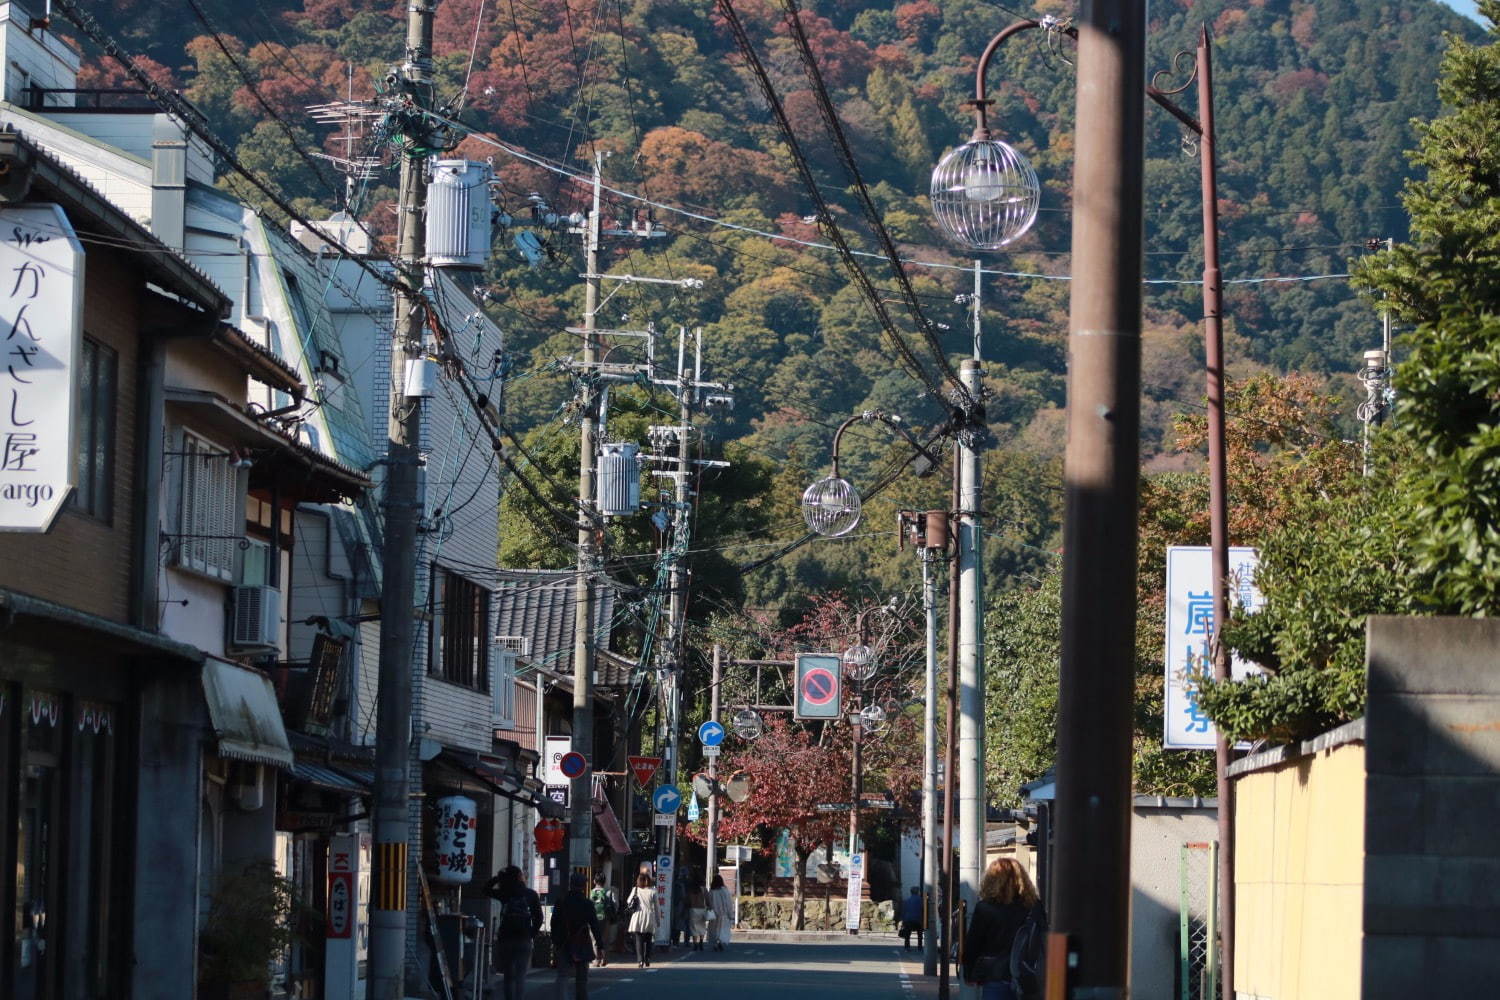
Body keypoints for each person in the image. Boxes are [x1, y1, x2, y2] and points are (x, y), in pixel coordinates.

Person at [962, 859, 1045, 1000]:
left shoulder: (985, 908)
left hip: (996, 976)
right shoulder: (1035, 906)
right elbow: (1044, 938)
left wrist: (969, 974)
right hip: (1028, 977)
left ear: (991, 880)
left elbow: (973, 944)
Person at [485, 865, 543, 1000]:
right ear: (519, 877)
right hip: (524, 939)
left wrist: (497, 878)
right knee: (520, 977)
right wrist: (531, 934)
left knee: (508, 976)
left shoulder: (505, 892)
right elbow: (539, 917)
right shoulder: (531, 894)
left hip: (506, 938)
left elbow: (485, 890)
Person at [551, 871, 606, 999]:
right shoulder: (587, 903)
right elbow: (594, 926)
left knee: (562, 976)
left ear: (570, 884)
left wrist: (555, 941)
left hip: (563, 942)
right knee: (581, 979)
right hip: (581, 942)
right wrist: (600, 946)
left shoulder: (561, 901)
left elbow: (553, 923)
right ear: (583, 886)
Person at [625, 871, 658, 967]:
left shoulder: (635, 889)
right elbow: (657, 907)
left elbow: (628, 901)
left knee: (638, 939)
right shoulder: (653, 891)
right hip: (649, 916)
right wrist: (658, 920)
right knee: (648, 939)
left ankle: (640, 960)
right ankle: (647, 958)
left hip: (638, 916)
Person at [588, 872, 619, 966]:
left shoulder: (591, 892)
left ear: (594, 881)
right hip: (605, 919)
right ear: (604, 882)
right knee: (605, 939)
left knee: (594, 939)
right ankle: (604, 959)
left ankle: (596, 959)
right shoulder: (608, 892)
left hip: (593, 918)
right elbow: (615, 905)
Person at [707, 874, 734, 952]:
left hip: (714, 914)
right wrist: (730, 914)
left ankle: (715, 943)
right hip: (723, 913)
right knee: (722, 929)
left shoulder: (712, 891)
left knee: (714, 929)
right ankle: (721, 941)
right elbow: (728, 902)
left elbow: (709, 902)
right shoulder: (724, 890)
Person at [685, 879, 709, 950]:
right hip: (702, 909)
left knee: (693, 928)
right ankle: (701, 942)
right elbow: (707, 899)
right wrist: (708, 906)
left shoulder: (690, 890)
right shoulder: (704, 889)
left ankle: (695, 944)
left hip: (693, 910)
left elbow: (687, 900)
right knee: (702, 926)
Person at [900, 886, 925, 950]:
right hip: (918, 919)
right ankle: (920, 947)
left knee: (907, 934)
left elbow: (903, 911)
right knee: (919, 934)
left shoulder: (907, 900)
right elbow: (923, 910)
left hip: (908, 919)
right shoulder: (921, 900)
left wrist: (903, 921)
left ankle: (907, 946)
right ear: (918, 892)